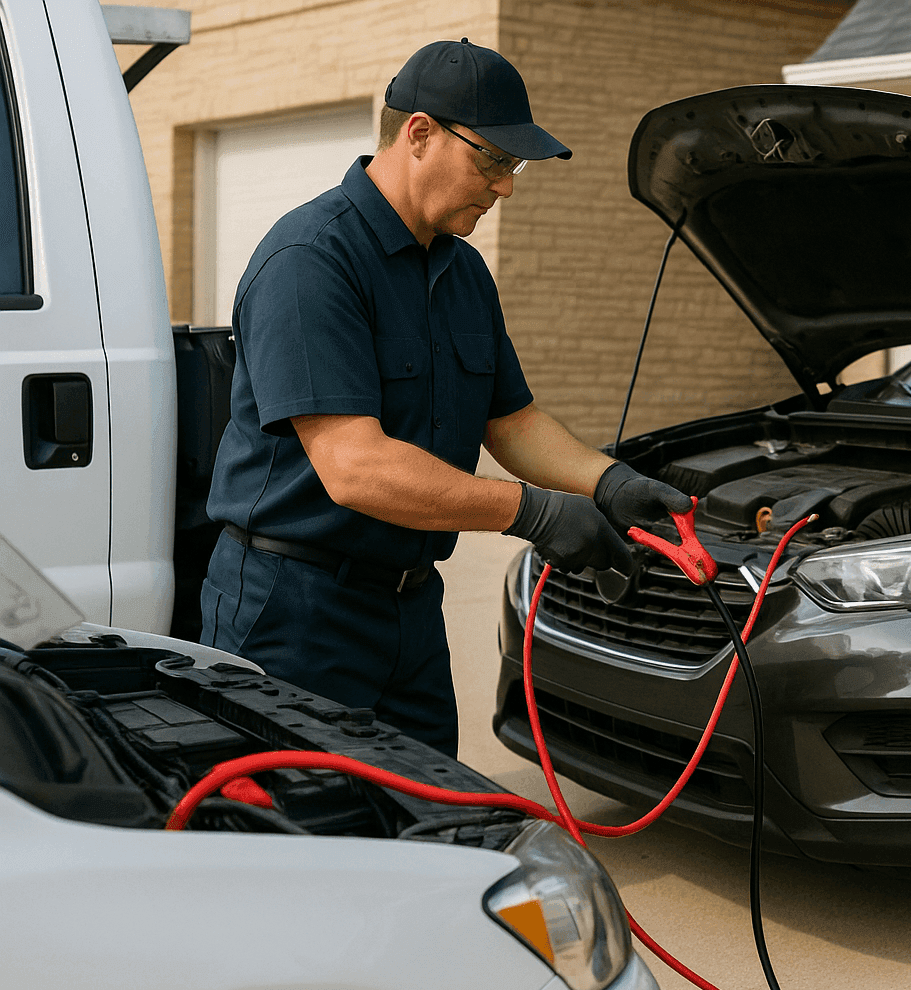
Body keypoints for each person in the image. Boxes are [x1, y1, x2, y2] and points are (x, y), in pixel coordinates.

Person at [200, 39, 688, 756]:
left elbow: (510, 421)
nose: (505, 187)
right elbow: (353, 466)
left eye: (512, 166)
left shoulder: (461, 273)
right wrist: (532, 512)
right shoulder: (310, 260)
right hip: (293, 612)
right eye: (493, 160)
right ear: (420, 133)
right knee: (301, 845)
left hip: (409, 610)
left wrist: (608, 480)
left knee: (431, 829)